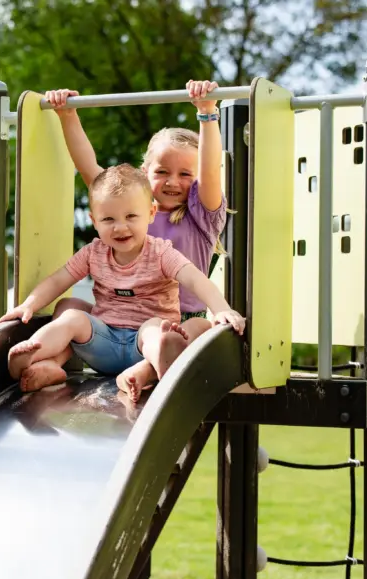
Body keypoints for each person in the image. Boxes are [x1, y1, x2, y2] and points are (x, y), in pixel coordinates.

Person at [41, 78, 228, 393]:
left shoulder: (202, 216)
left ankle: (144, 371)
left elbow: (210, 171)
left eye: (185, 174)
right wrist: (67, 116)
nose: (173, 181)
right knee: (66, 307)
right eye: (162, 172)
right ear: (145, 173)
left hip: (175, 322)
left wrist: (207, 114)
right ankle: (52, 363)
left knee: (200, 328)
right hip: (121, 321)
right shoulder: (130, 212)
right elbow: (90, 171)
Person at [0, 163, 245, 400]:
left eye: (130, 216)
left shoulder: (161, 253)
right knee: (71, 315)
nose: (120, 227)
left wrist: (221, 308)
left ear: (150, 214)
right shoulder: (93, 253)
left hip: (143, 345)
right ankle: (32, 353)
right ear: (95, 222)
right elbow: (58, 279)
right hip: (102, 342)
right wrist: (28, 304)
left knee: (156, 327)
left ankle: (150, 368)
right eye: (108, 220)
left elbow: (195, 279)